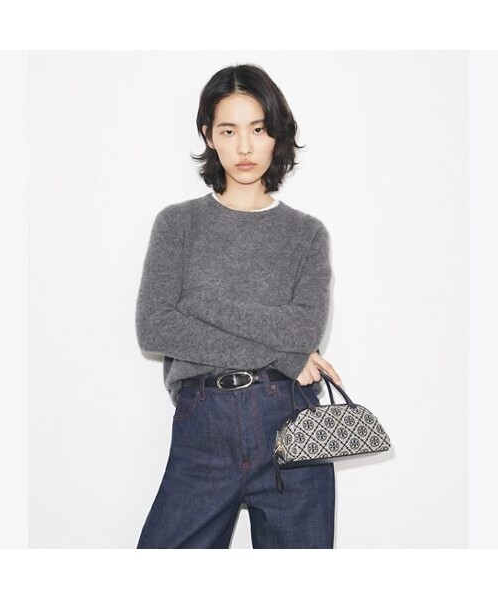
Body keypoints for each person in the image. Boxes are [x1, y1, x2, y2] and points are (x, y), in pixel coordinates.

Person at [135, 63, 342, 549]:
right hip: (203, 422)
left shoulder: (307, 234)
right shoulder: (178, 225)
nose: (245, 147)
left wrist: (200, 303)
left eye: (258, 129)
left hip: (291, 421)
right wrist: (284, 356)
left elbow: (302, 331)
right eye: (229, 131)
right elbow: (155, 327)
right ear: (209, 135)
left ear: (277, 136)